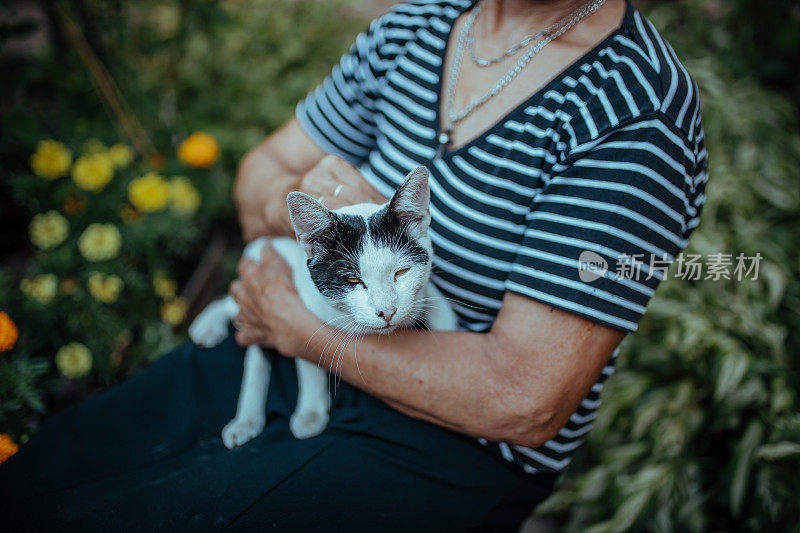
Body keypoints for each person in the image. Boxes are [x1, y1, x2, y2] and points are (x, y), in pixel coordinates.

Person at [0, 0, 706, 531]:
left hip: (448, 437)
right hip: (305, 333)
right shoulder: (417, 28)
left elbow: (524, 400)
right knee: (58, 465)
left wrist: (303, 329)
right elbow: (259, 177)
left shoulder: (636, 114)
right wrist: (299, 208)